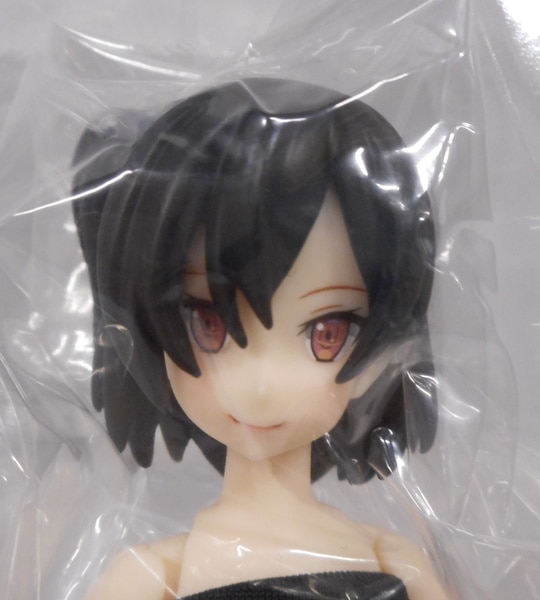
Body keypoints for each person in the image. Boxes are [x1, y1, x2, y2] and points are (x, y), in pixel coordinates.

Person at [73, 78, 449, 599]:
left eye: (326, 334)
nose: (261, 386)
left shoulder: (397, 559)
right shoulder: (153, 574)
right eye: (210, 326)